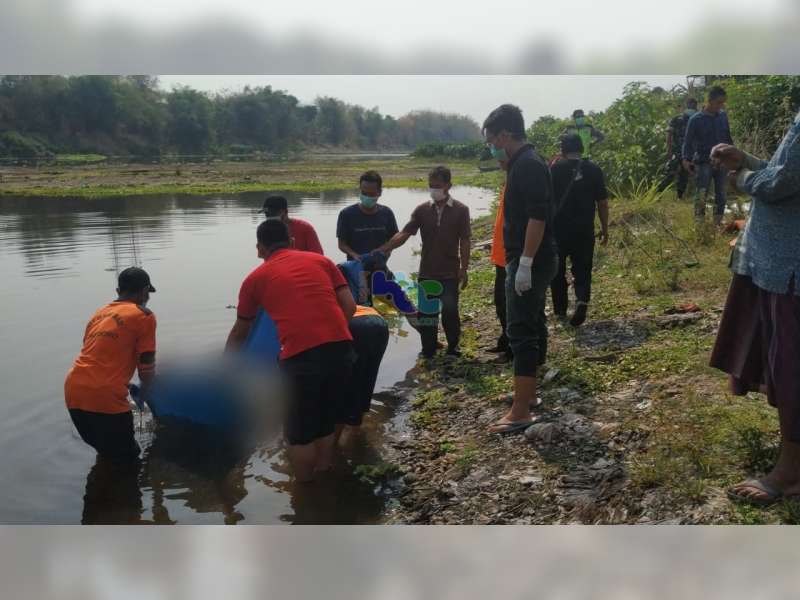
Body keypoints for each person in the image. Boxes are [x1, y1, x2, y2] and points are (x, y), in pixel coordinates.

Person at [708, 109, 800, 506]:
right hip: (782, 263)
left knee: (791, 367)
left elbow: (783, 182)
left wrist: (743, 178)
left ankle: (792, 472)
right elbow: (788, 174)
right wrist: (748, 160)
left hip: (790, 266)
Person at [225, 220, 357, 483]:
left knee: (298, 432)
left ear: (259, 249)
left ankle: (305, 493)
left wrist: (227, 365)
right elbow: (350, 307)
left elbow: (241, 331)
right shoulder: (322, 262)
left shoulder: (254, 280)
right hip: (341, 349)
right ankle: (324, 470)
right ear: (292, 241)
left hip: (300, 358)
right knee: (325, 419)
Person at [482, 104, 559, 434]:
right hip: (529, 258)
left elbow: (537, 217)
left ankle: (520, 411)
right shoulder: (522, 162)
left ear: (503, 135)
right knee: (529, 325)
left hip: (531, 259)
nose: (491, 146)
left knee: (521, 332)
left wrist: (525, 262)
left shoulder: (527, 165)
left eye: (491, 140)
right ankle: (527, 395)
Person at [64, 267, 157, 462]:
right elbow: (146, 366)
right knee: (129, 461)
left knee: (107, 455)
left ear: (118, 291)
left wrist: (126, 385)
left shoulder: (98, 315)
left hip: (74, 392)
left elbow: (99, 358)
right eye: (148, 293)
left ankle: (102, 490)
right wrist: (148, 392)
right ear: (144, 291)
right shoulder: (144, 316)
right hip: (104, 396)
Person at [377, 166, 471, 358]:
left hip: (450, 271)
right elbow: (405, 233)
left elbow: (465, 240)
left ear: (448, 185)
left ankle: (453, 347)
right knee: (427, 315)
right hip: (427, 271)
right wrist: (385, 248)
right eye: (430, 186)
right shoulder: (422, 210)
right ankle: (428, 349)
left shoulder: (461, 210)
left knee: (450, 312)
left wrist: (464, 268)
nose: (433, 189)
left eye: (437, 186)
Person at [549, 134, 610, 327]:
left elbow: (546, 200)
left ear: (562, 149)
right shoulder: (594, 170)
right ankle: (582, 301)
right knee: (583, 268)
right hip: (584, 230)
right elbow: (602, 202)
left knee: (556, 270)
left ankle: (560, 309)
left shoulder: (554, 170)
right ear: (582, 149)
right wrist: (605, 228)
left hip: (558, 230)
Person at [336, 170, 399, 296]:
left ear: (379, 192)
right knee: (363, 307)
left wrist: (386, 253)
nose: (367, 197)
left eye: (371, 194)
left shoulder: (386, 213)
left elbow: (395, 239)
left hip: (380, 268)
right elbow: (342, 244)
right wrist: (354, 255)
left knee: (397, 299)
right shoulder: (347, 214)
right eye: (364, 193)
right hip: (356, 271)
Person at [334, 302, 390, 443]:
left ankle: (334, 446)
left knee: (345, 387)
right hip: (378, 321)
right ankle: (356, 431)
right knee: (367, 378)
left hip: (355, 325)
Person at [682, 85, 734, 225]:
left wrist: (733, 156)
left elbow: (727, 138)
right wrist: (686, 159)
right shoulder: (695, 120)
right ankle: (699, 223)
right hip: (704, 161)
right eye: (719, 102)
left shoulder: (722, 116)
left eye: (723, 102)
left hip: (722, 161)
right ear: (709, 101)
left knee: (721, 194)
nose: (721, 105)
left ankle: (717, 222)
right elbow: (687, 141)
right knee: (701, 193)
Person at [487, 159, 513, 362]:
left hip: (512, 254)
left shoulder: (521, 176)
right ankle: (506, 339)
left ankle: (512, 348)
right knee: (500, 301)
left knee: (509, 303)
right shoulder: (510, 178)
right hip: (501, 253)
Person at [656, 97, 698, 198]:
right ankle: (658, 193)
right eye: (691, 105)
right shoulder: (678, 119)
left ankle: (680, 196)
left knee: (683, 175)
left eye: (693, 105)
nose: (692, 107)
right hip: (678, 151)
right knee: (670, 173)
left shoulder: (696, 118)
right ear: (688, 105)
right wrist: (669, 150)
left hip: (688, 152)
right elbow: (669, 135)